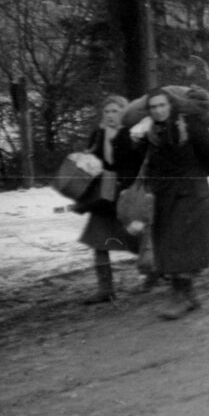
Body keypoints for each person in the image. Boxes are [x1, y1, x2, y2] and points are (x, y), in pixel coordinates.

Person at [130, 88, 209, 319]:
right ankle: (188, 296)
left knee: (180, 244)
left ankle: (180, 297)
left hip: (190, 195)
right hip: (165, 196)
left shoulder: (189, 125)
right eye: (153, 107)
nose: (158, 110)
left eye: (162, 105)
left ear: (170, 105)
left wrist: (196, 174)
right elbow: (149, 161)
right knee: (168, 243)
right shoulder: (152, 131)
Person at [76, 95, 140, 304]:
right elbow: (92, 162)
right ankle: (106, 288)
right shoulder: (98, 134)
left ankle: (157, 272)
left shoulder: (131, 135)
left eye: (115, 111)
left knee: (137, 238)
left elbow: (135, 165)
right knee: (98, 240)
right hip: (104, 191)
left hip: (124, 192)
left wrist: (123, 185)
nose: (111, 115)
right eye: (107, 112)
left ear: (123, 112)